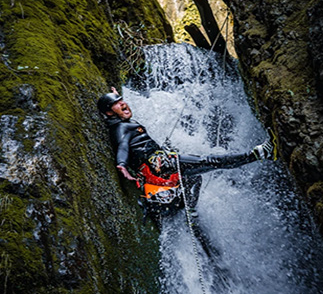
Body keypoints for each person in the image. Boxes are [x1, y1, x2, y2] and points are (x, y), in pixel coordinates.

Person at [98, 87, 276, 213]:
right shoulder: (120, 128)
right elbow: (122, 145)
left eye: (122, 100)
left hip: (160, 165)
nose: (123, 104)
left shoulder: (123, 122)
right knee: (209, 161)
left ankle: (188, 208)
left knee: (195, 177)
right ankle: (259, 154)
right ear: (109, 113)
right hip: (161, 165)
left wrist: (114, 96)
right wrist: (121, 165)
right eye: (117, 104)